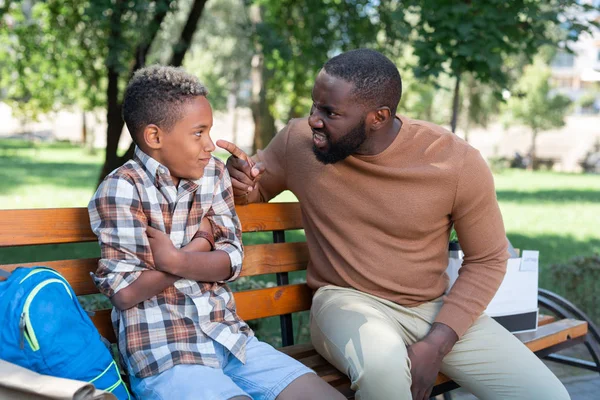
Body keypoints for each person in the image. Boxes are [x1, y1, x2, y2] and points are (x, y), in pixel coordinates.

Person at [217, 49, 570, 400]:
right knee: (384, 371)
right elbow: (254, 190)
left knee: (548, 395)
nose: (313, 120)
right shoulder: (300, 143)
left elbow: (488, 259)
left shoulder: (455, 162)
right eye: (314, 106)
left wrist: (437, 342)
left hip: (433, 310)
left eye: (330, 112)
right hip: (344, 301)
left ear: (378, 117)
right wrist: (241, 182)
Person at [88, 65, 344, 400]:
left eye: (210, 131)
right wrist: (200, 244)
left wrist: (175, 258)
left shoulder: (212, 174)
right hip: (166, 353)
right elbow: (126, 293)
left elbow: (232, 261)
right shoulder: (123, 189)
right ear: (154, 137)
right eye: (198, 133)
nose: (210, 145)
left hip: (230, 340)